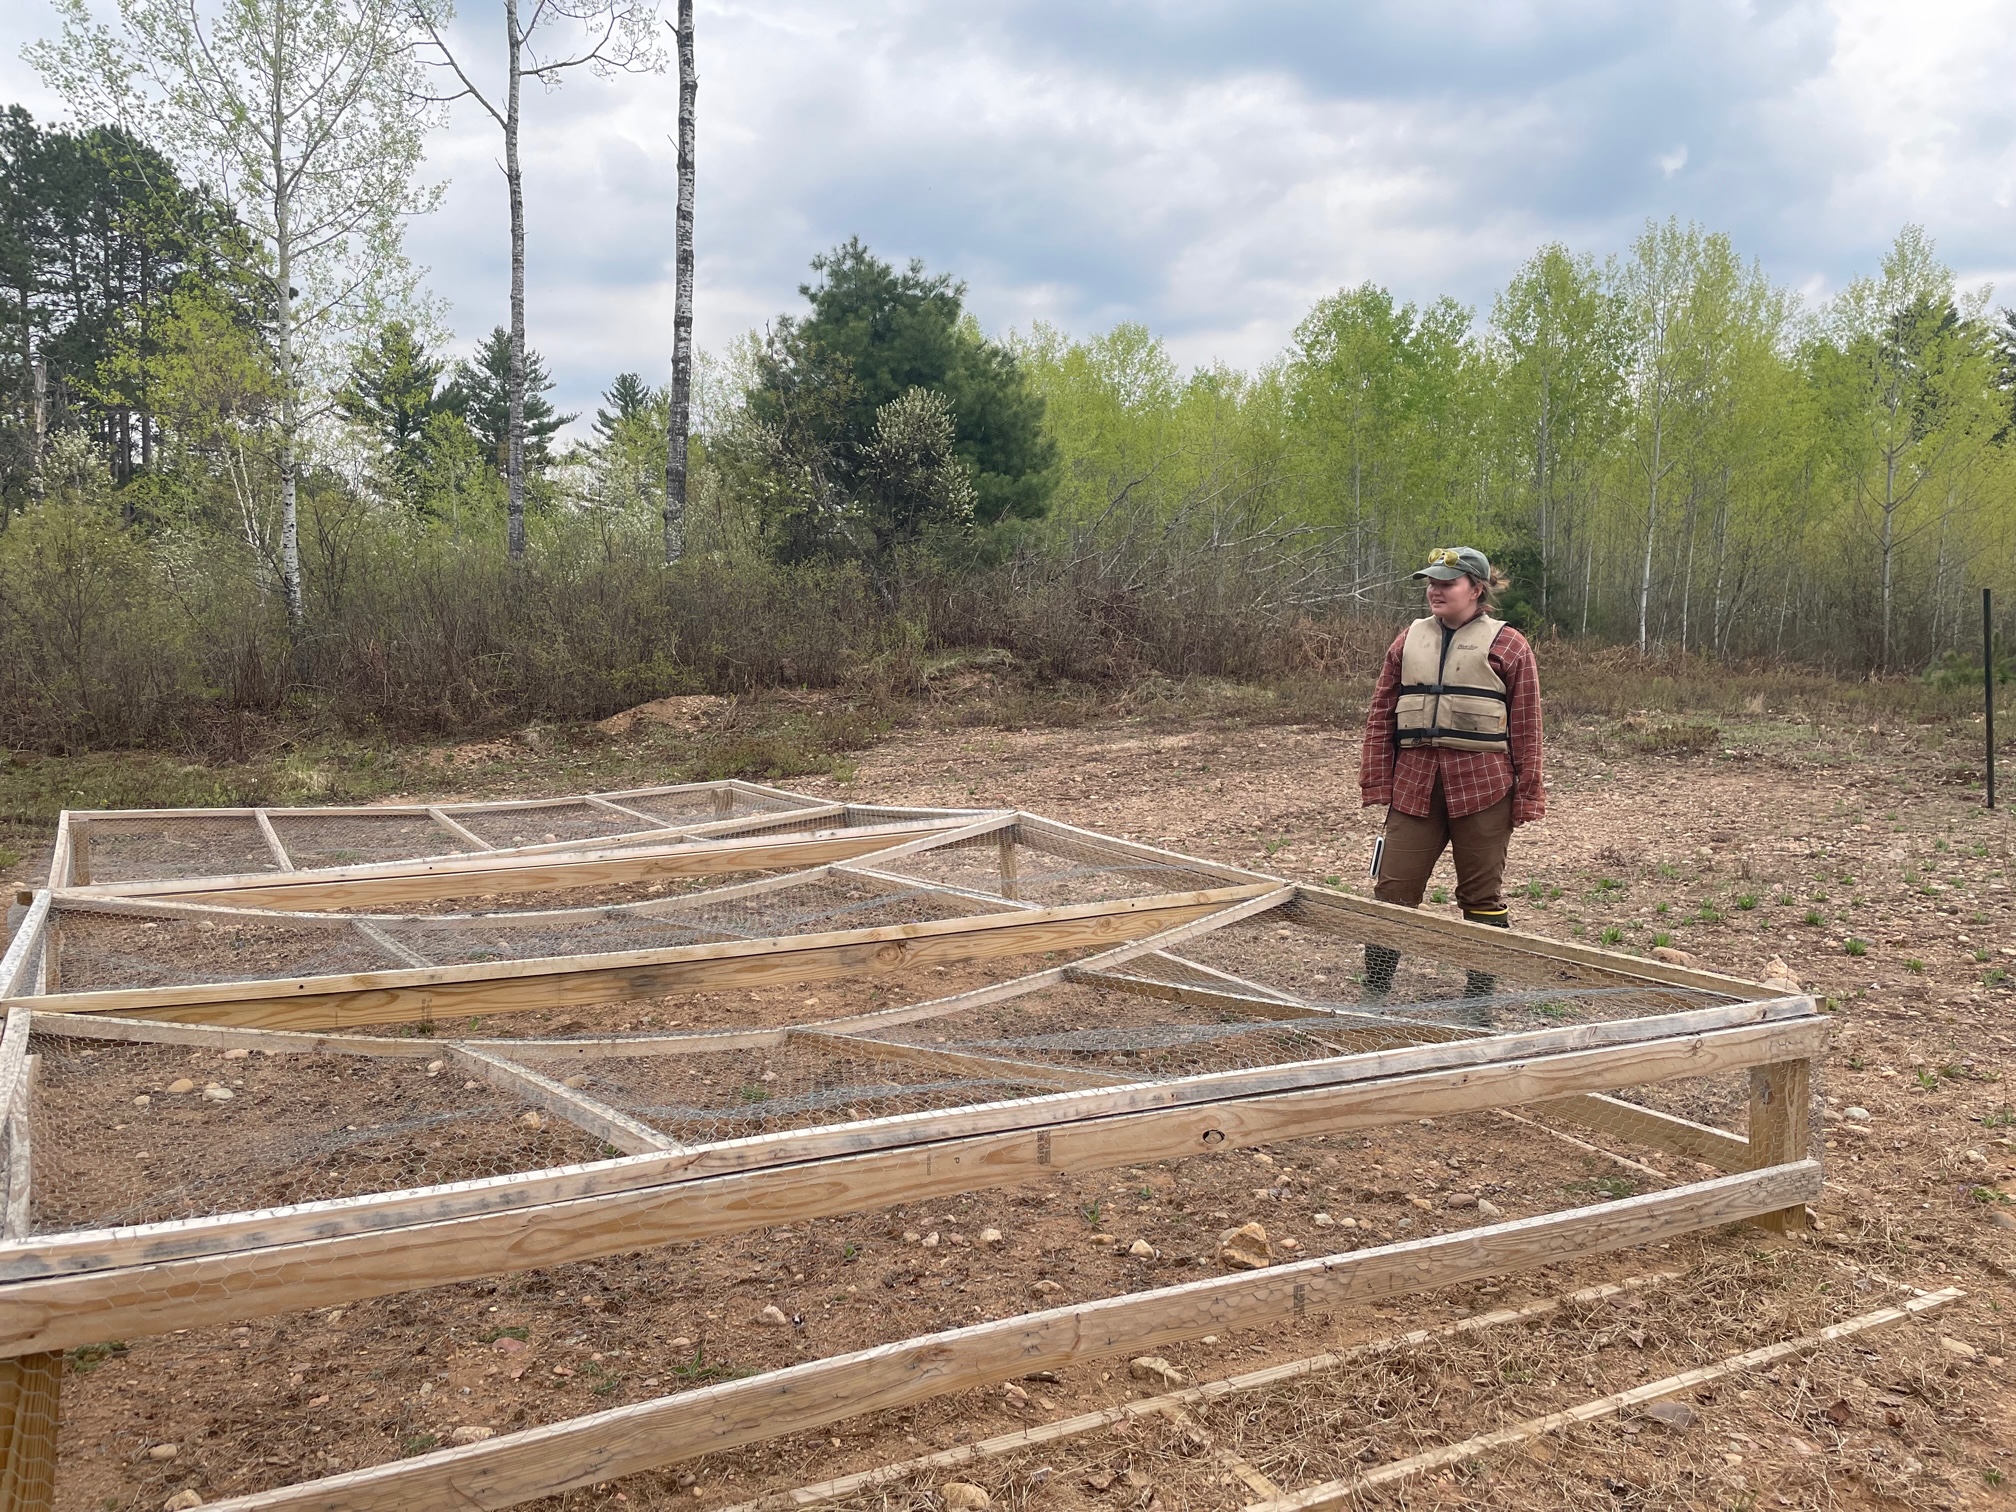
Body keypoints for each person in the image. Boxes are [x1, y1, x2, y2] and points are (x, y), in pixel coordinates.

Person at [1358, 546, 1546, 1005]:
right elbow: (1382, 714)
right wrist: (1378, 780)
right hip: (1414, 786)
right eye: (1431, 582)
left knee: (1482, 894)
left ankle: (1479, 1002)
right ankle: (1374, 993)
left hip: (1484, 788)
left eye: (1447, 583)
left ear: (1476, 590)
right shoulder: (1407, 641)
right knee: (1392, 890)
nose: (1435, 590)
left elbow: (1527, 727)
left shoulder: (1509, 645)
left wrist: (1527, 796)